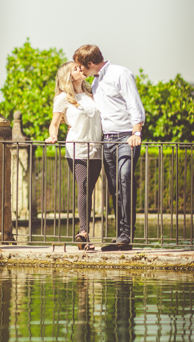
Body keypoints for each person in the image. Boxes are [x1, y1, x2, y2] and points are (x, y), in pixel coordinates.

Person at [72, 44, 145, 251]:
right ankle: (121, 237)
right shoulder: (95, 83)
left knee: (124, 179)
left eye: (81, 66)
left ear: (90, 63)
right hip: (107, 140)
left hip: (126, 138)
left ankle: (125, 234)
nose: (80, 71)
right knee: (114, 187)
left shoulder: (120, 73)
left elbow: (134, 104)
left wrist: (136, 132)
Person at [46, 62, 103, 250]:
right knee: (83, 186)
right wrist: (53, 136)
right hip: (76, 148)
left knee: (89, 190)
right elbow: (55, 122)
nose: (80, 69)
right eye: (76, 68)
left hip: (96, 148)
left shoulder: (90, 94)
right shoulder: (63, 98)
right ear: (69, 75)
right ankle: (84, 232)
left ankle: (83, 240)